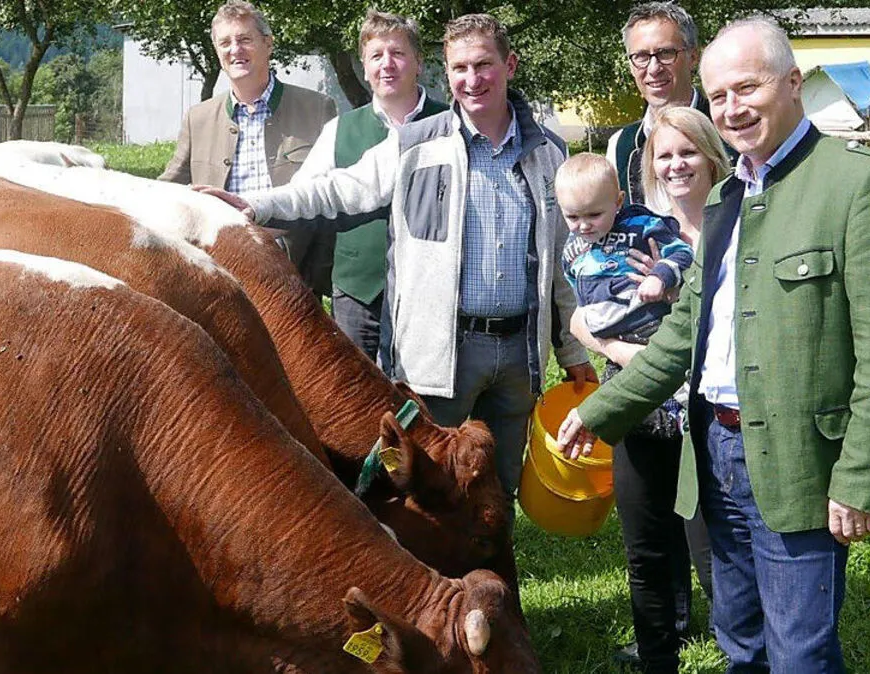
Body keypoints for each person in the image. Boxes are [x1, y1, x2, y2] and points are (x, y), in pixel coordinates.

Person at [559, 17, 870, 673]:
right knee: (741, 643)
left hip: (799, 462)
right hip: (715, 456)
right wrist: (599, 412)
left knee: (799, 654)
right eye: (719, 94)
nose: (732, 108)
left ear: (792, 84)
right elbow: (681, 337)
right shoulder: (730, 195)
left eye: (746, 88)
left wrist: (861, 477)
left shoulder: (859, 184)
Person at [203, 13, 597, 529]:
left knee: (495, 495)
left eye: (484, 65)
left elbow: (559, 261)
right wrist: (254, 206)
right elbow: (338, 187)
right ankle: (435, 600)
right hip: (440, 354)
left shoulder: (549, 152)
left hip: (519, 357)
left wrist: (570, 353)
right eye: (459, 68)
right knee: (431, 492)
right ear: (447, 71)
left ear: (510, 65)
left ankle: (493, 598)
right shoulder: (417, 142)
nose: (472, 79)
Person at [573, 107, 729, 674]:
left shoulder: (736, 222)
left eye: (687, 152)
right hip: (638, 397)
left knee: (714, 544)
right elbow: (582, 313)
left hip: (714, 406)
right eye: (665, 155)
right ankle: (658, 654)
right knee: (645, 541)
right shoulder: (634, 229)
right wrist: (615, 350)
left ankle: (744, 648)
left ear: (712, 154)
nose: (676, 164)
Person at [291, 9, 447, 362]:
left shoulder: (449, 124)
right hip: (357, 293)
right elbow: (303, 196)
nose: (387, 64)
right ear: (364, 67)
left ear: (419, 62)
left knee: (419, 404)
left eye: (398, 53)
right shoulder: (339, 130)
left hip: (430, 295)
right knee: (354, 400)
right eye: (376, 56)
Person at [158, 0, 337, 296]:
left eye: (244, 39)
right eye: (225, 43)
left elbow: (333, 194)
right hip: (219, 276)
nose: (235, 50)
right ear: (217, 52)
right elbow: (169, 188)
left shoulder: (317, 108)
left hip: (294, 278)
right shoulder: (198, 118)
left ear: (268, 44)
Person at [556, 152, 694, 345]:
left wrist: (659, 277)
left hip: (649, 325)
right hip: (609, 338)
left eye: (594, 215)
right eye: (573, 217)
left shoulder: (640, 226)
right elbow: (573, 280)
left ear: (618, 201)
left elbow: (683, 253)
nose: (584, 225)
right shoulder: (573, 246)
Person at [608, 2, 710, 209]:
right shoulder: (620, 147)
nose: (653, 68)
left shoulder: (727, 130)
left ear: (693, 57)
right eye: (641, 57)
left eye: (665, 53)